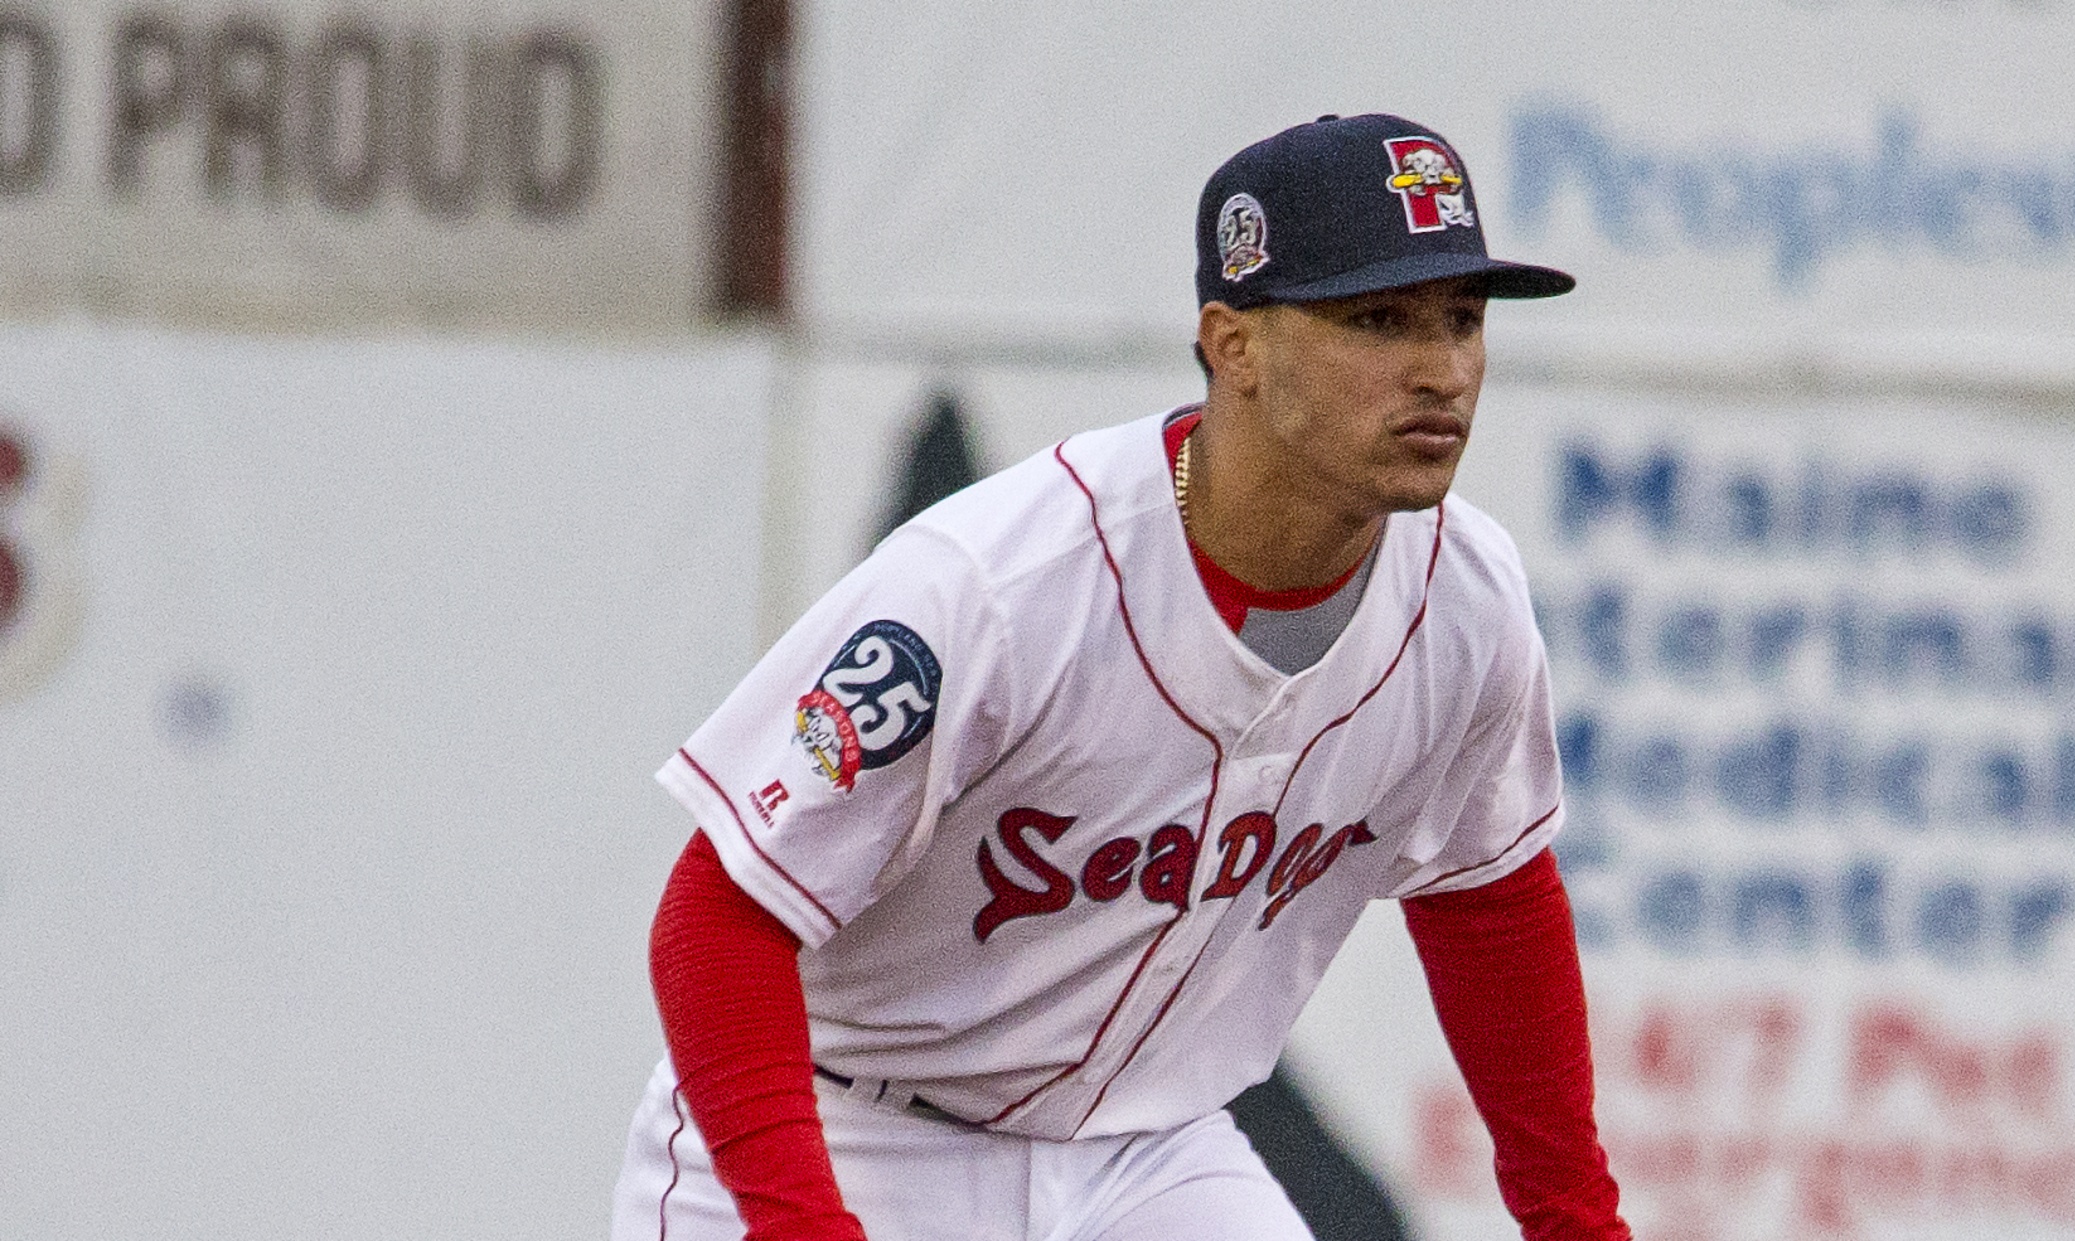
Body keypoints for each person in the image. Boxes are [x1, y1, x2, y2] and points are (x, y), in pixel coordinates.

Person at [611, 112, 1632, 1241]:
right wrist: (802, 1223)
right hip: (852, 1124)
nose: (1440, 369)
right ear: (1233, 345)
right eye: (1378, 320)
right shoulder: (1002, 585)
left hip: (1146, 1153)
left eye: (1462, 319)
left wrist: (1577, 1224)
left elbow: (1489, 899)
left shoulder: (1467, 597)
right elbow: (716, 920)